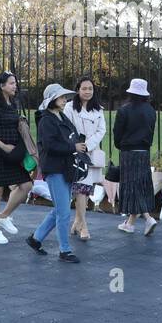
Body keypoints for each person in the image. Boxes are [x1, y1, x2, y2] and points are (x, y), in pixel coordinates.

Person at [25, 83, 87, 263]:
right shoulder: (46, 120)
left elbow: (71, 136)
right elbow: (50, 145)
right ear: (52, 100)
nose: (64, 99)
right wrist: (73, 146)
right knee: (63, 212)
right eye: (61, 97)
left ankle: (36, 239)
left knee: (61, 208)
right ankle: (65, 250)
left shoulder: (60, 116)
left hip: (64, 167)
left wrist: (77, 144)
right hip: (54, 168)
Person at [0, 71, 38, 245]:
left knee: (26, 184)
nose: (15, 86)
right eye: (11, 83)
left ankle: (3, 216)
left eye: (15, 83)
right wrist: (3, 145)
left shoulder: (12, 103)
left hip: (12, 154)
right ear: (2, 86)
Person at [63, 76, 105, 242]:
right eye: (84, 88)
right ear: (78, 90)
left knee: (85, 190)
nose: (87, 92)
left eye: (90, 89)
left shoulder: (98, 109)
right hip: (75, 152)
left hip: (91, 152)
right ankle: (83, 226)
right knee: (81, 188)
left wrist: (88, 144)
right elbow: (66, 128)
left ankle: (76, 223)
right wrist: (77, 145)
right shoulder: (69, 108)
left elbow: (102, 130)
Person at [114, 78, 158, 235]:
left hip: (128, 152)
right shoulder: (151, 111)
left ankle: (148, 218)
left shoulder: (124, 110)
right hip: (144, 152)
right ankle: (130, 224)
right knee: (140, 185)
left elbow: (117, 135)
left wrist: (121, 145)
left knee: (133, 187)